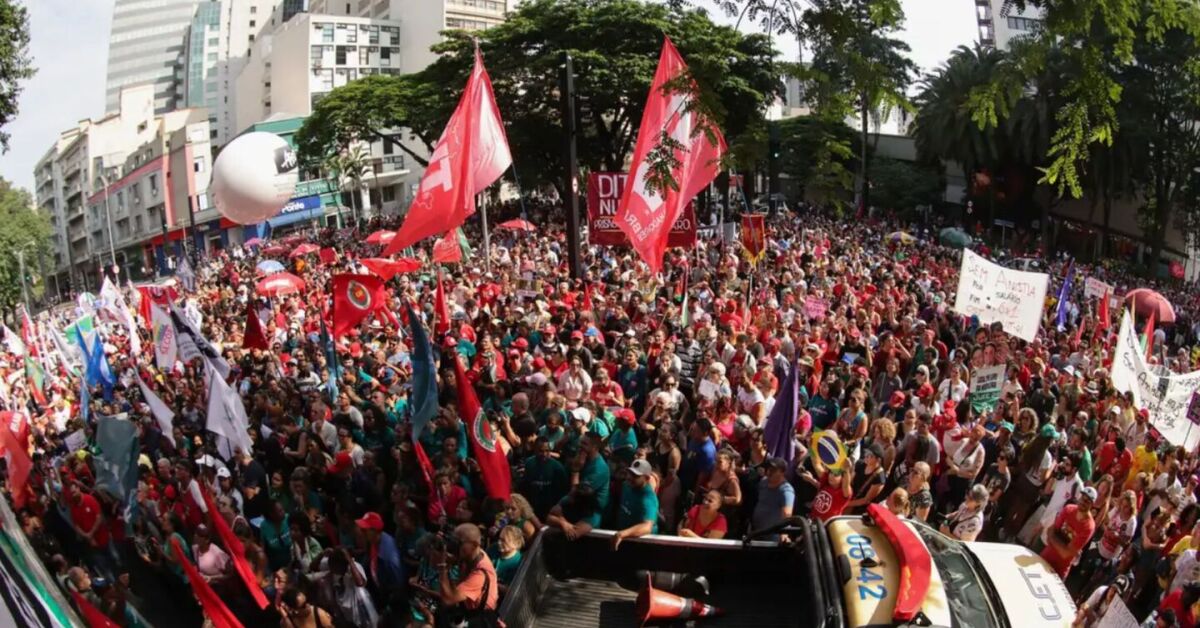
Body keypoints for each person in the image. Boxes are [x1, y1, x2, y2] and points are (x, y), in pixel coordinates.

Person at [436, 523, 499, 624]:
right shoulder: (473, 555)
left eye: (459, 543)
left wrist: (442, 566)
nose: (455, 546)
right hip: (468, 610)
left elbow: (448, 599)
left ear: (474, 545)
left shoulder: (480, 574)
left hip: (481, 618)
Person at [1041, 486, 1098, 579]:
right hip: (1046, 556)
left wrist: (1053, 537)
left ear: (1092, 504)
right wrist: (1061, 544)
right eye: (1082, 498)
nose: (1083, 502)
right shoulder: (1069, 509)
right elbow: (1050, 531)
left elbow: (1065, 554)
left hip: (1059, 569)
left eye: (1087, 501)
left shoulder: (1089, 527)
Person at [356, 512, 404, 609]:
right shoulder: (373, 541)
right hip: (377, 590)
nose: (361, 532)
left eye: (364, 530)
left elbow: (397, 588)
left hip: (388, 601)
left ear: (374, 531)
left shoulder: (389, 558)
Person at [612, 459, 659, 550]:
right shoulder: (626, 485)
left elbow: (647, 527)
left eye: (635, 475)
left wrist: (622, 534)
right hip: (621, 541)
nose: (630, 477)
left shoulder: (648, 498)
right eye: (630, 473)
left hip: (641, 546)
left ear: (647, 478)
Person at [753, 458, 796, 534]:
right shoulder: (763, 482)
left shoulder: (786, 491)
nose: (769, 472)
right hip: (757, 531)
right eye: (768, 469)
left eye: (773, 470)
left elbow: (787, 515)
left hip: (773, 535)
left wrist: (784, 534)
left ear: (782, 472)